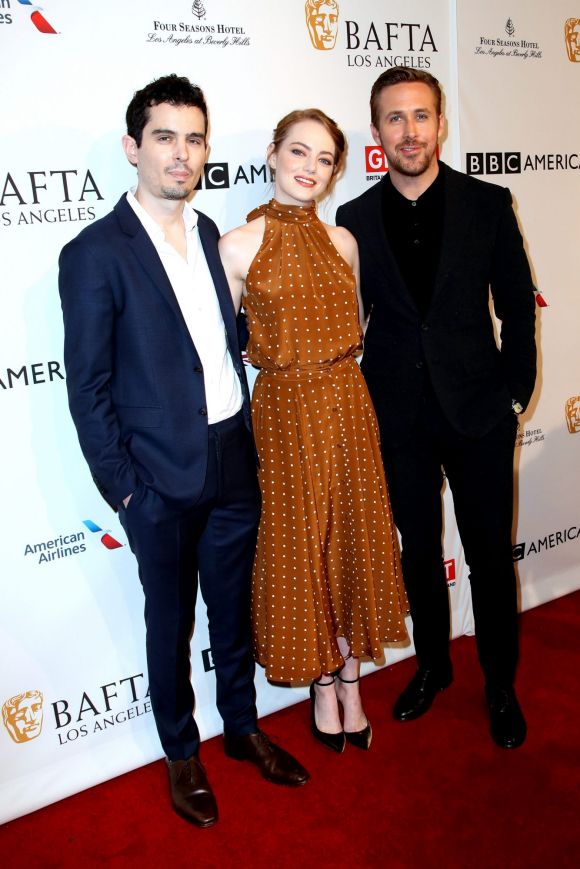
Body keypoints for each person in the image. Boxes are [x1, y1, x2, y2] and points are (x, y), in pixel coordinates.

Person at [58, 74, 309, 829]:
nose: (182, 152)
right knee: (168, 625)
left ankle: (241, 727)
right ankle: (180, 751)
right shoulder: (94, 252)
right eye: (164, 136)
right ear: (133, 147)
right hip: (157, 482)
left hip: (233, 457)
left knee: (230, 611)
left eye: (194, 138)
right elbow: (88, 386)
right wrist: (127, 491)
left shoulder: (207, 233)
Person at [336, 67, 537, 749]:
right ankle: (432, 667)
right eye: (395, 118)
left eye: (421, 116)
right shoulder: (353, 220)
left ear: (441, 124)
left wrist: (512, 396)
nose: (410, 131)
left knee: (486, 554)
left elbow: (517, 308)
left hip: (480, 414)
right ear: (376, 133)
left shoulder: (486, 203)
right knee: (418, 553)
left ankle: (500, 683)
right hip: (398, 420)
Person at [219, 109, 409, 754]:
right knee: (304, 549)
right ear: (272, 155)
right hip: (283, 410)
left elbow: (354, 328)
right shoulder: (237, 245)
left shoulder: (344, 242)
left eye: (324, 159)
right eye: (298, 152)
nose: (309, 167)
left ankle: (353, 679)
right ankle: (322, 684)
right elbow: (220, 348)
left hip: (348, 403)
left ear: (335, 171)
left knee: (354, 537)